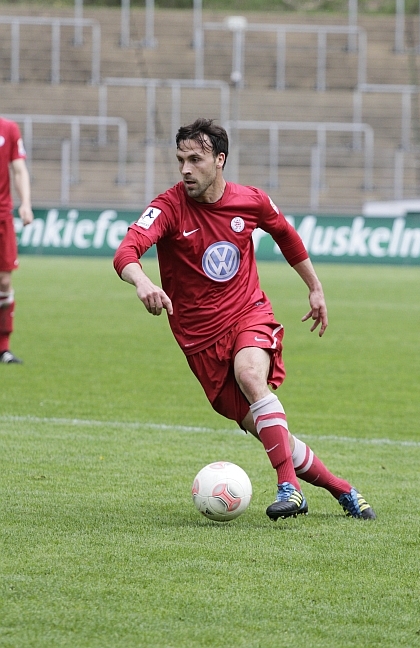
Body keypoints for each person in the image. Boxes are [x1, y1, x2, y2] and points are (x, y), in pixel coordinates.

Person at [113, 118, 376, 521]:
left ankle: (289, 488)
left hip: (248, 313)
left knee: (251, 375)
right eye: (181, 160)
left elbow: (285, 234)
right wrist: (142, 281)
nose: (185, 169)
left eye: (196, 159)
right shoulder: (167, 208)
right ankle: (343, 490)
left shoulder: (250, 200)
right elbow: (126, 252)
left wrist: (315, 286)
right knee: (274, 435)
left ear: (220, 160)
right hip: (200, 343)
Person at [0, 116, 33, 364]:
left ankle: (3, 347)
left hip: (2, 216)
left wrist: (26, 203)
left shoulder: (8, 129)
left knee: (4, 281)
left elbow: (19, 169)